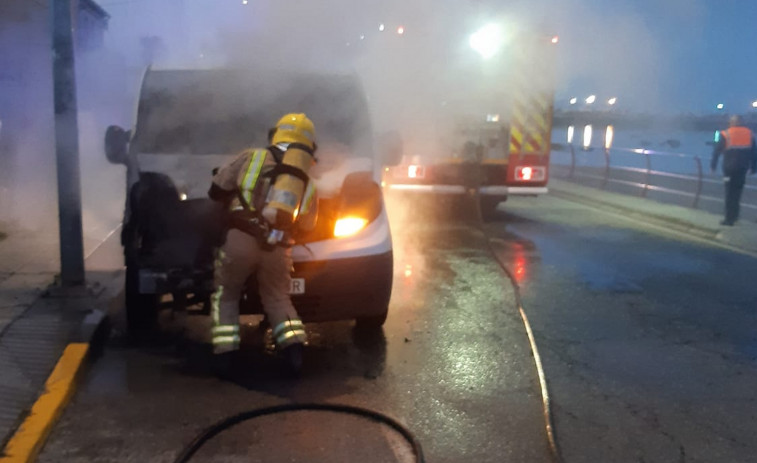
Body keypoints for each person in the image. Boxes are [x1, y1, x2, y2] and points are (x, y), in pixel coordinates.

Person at [207, 113, 318, 373]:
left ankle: (225, 354)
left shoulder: (251, 157)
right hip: (278, 247)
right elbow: (308, 226)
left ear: (276, 134)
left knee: (227, 295)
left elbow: (216, 191)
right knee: (279, 298)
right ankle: (294, 351)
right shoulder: (306, 182)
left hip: (240, 239)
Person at [711, 115, 757, 226]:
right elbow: (754, 152)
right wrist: (754, 167)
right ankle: (735, 216)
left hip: (729, 169)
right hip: (742, 169)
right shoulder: (749, 134)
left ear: (731, 122)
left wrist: (713, 165)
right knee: (737, 193)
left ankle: (729, 219)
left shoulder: (725, 133)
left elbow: (717, 151)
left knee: (729, 193)